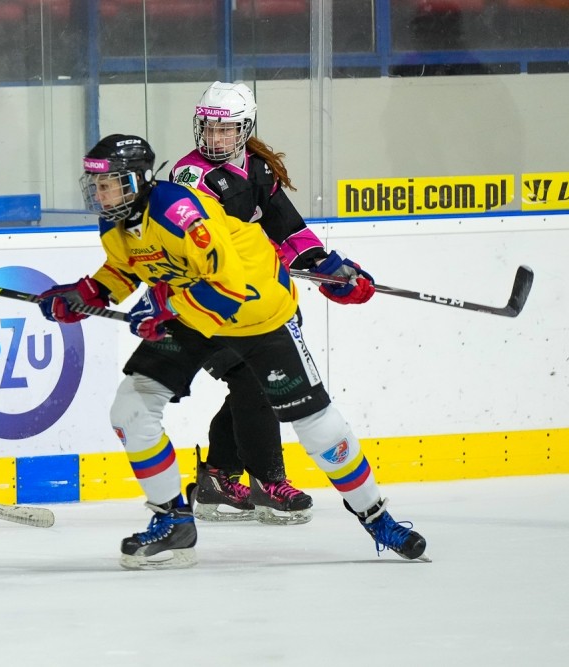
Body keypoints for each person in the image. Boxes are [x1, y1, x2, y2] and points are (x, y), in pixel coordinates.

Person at [38, 133, 427, 570]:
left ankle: (377, 517)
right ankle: (173, 521)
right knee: (131, 410)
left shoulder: (178, 212)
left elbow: (229, 286)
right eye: (95, 185)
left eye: (109, 184)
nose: (100, 193)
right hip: (193, 312)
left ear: (138, 180)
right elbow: (127, 267)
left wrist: (164, 306)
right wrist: (87, 293)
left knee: (317, 425)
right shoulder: (116, 221)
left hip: (257, 311)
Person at [170, 81, 376, 525]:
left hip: (259, 300)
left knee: (252, 382)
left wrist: (330, 269)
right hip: (209, 305)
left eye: (225, 129)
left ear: (245, 129)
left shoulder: (257, 168)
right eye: (208, 128)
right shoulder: (190, 178)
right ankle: (266, 481)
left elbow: (289, 229)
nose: (215, 137)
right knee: (256, 379)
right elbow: (208, 244)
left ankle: (219, 476)